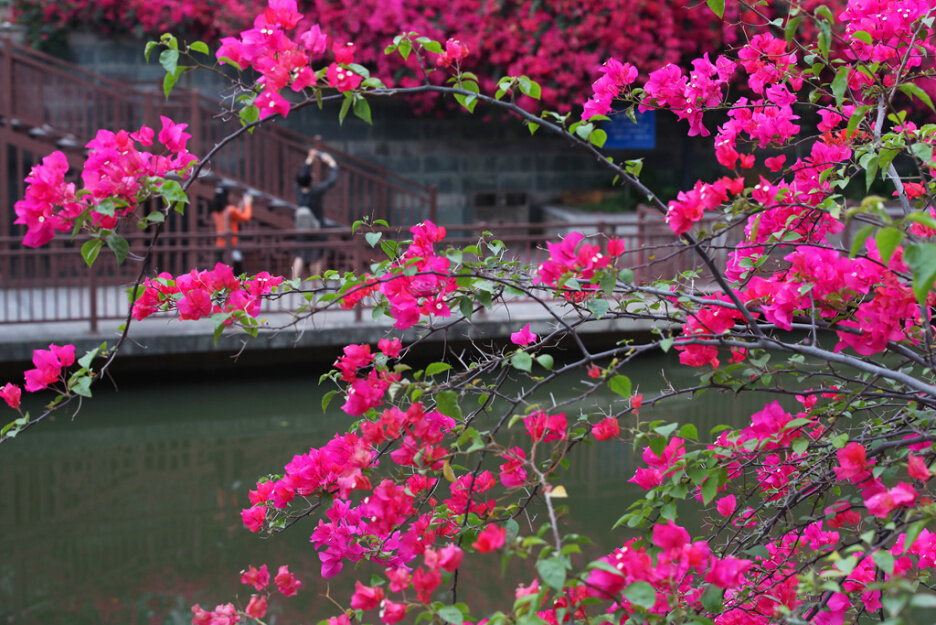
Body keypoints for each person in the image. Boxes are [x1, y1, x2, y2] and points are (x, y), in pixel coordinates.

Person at [292, 149, 339, 280]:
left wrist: (309, 159)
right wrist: (332, 163)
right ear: (311, 180)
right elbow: (332, 181)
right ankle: (314, 284)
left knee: (300, 255)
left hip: (302, 229)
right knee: (317, 256)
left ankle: (293, 284)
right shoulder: (316, 191)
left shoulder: (298, 190)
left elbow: (302, 176)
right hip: (317, 228)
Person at [212, 187, 253, 275]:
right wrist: (248, 204)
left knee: (222, 273)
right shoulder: (230, 210)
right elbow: (246, 217)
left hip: (219, 246)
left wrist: (240, 206)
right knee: (236, 273)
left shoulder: (215, 212)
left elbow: (235, 216)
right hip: (231, 245)